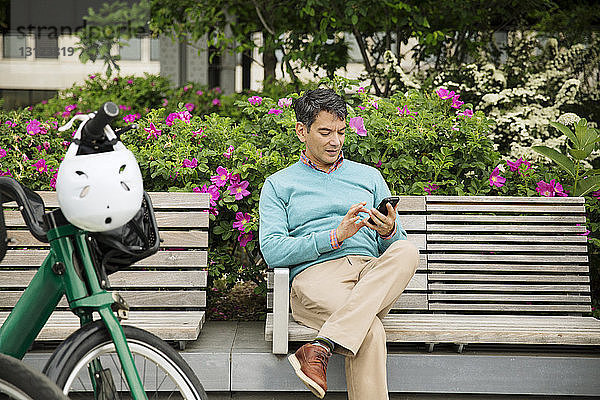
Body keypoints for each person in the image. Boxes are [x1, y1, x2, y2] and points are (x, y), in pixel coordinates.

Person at [259, 88, 419, 400]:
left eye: (341, 132)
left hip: (369, 273)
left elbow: (394, 252)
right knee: (369, 332)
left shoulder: (368, 176)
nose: (335, 141)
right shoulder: (279, 185)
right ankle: (325, 344)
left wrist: (388, 232)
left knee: (407, 250)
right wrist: (334, 236)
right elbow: (273, 249)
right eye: (325, 132)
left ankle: (321, 347)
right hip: (316, 278)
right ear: (301, 131)